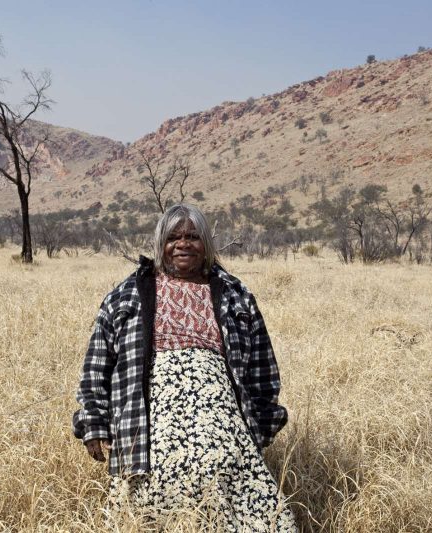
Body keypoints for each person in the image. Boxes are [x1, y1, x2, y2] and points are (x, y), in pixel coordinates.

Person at [73, 203, 296, 531]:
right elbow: (97, 364)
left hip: (224, 429)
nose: (183, 244)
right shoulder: (127, 295)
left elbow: (263, 366)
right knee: (147, 514)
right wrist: (94, 422)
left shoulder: (235, 295)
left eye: (192, 236)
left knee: (261, 517)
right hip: (149, 430)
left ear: (206, 243)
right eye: (173, 237)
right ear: (160, 243)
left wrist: (261, 425)